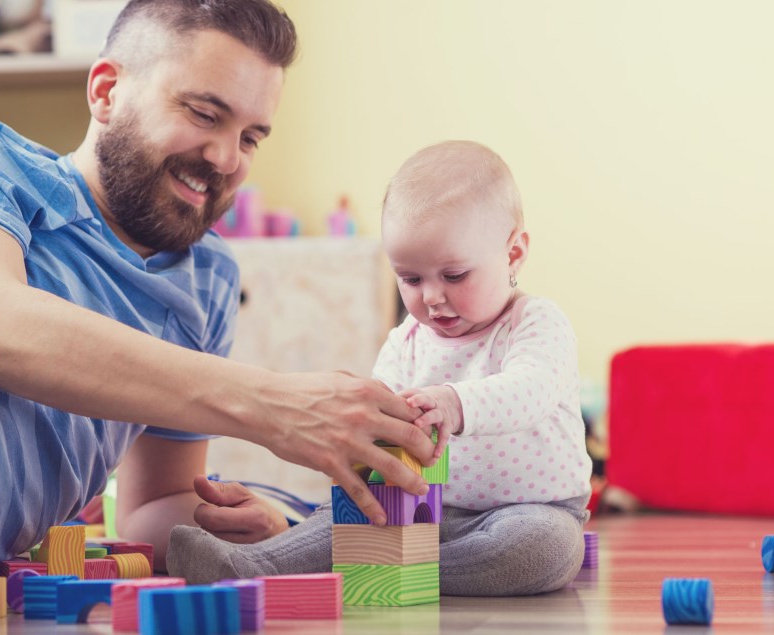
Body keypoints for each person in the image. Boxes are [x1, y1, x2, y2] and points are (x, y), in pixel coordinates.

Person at [0, 1, 437, 633]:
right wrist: (270, 403)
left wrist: (258, 528)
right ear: (106, 90)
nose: (224, 158)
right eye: (203, 113)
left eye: (251, 137)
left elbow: (151, 505)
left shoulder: (207, 283)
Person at [168, 140, 593, 596]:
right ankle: (254, 564)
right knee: (346, 512)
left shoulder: (534, 322)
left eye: (454, 276)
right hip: (414, 507)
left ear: (512, 255)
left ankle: (389, 569)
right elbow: (375, 420)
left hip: (526, 511)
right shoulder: (405, 339)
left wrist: (454, 403)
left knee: (543, 549)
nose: (430, 297)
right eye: (411, 279)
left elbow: (530, 390)